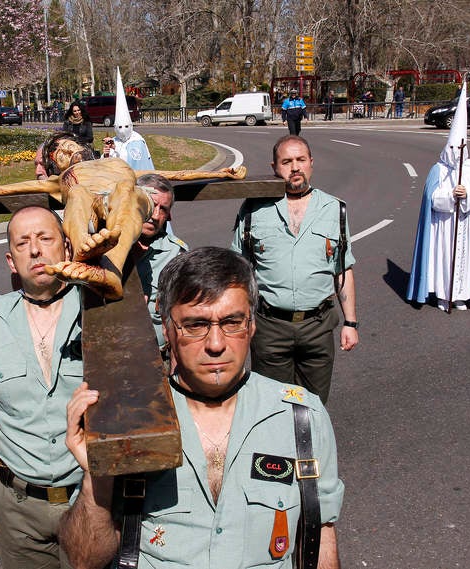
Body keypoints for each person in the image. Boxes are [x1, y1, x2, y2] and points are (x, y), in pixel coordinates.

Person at [59, 247, 344, 569]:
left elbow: (319, 538)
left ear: (252, 323)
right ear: (166, 326)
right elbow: (85, 559)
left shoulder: (301, 417)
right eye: (195, 325)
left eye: (232, 322)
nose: (216, 344)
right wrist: (95, 476)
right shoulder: (128, 418)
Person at [0, 133, 245, 300]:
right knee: (80, 195)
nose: (66, 152)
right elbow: (8, 188)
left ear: (83, 145)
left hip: (123, 206)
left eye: (69, 145)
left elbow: (170, 174)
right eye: (58, 153)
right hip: (91, 214)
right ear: (55, 164)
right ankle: (86, 252)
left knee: (128, 187)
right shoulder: (63, 179)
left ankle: (108, 269)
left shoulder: (118, 166)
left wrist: (223, 173)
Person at [0, 205, 83, 569]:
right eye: (23, 243)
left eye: (45, 238)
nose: (36, 250)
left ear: (67, 249)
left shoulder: (101, 310)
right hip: (19, 508)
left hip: (93, 498)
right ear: (12, 261)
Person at [230, 135, 358, 403]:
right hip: (269, 327)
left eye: (301, 160)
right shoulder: (254, 209)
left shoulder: (335, 209)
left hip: (318, 326)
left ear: (311, 163)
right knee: (272, 407)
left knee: (314, 405)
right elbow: (238, 272)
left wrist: (350, 322)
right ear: (275, 167)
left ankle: (311, 446)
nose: (295, 167)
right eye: (286, 161)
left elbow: (342, 270)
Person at [406, 82, 470, 311]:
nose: (457, 153)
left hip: (467, 221)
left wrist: (467, 194)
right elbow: (431, 198)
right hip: (444, 224)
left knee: (465, 259)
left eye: (460, 148)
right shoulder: (439, 170)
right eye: (453, 148)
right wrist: (449, 194)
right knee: (444, 258)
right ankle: (445, 295)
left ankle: (462, 295)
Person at [132, 174, 188, 349]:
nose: (155, 216)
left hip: (157, 353)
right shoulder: (105, 245)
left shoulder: (176, 255)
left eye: (162, 209)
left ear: (169, 216)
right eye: (149, 205)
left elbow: (183, 316)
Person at [102, 68, 154, 169]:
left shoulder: (137, 141)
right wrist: (106, 154)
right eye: (119, 127)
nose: (123, 130)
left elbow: (133, 163)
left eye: (126, 126)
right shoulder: (113, 141)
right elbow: (106, 166)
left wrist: (116, 149)